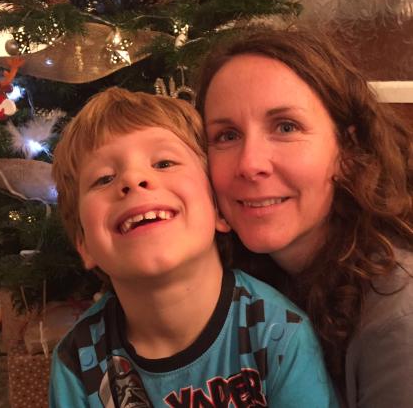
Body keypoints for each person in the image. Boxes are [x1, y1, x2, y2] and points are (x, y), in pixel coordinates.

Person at [49, 87, 338, 407]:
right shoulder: (77, 362)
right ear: (84, 243)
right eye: (104, 178)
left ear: (218, 209)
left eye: (163, 162)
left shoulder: (279, 335)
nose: (133, 179)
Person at [195, 27, 413, 408]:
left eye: (285, 127)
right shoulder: (247, 284)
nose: (250, 165)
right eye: (227, 135)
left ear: (347, 150)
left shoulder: (398, 320)